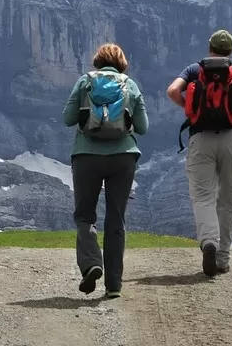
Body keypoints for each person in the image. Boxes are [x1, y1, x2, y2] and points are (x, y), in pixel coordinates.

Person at [166, 29, 232, 278]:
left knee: (202, 196)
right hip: (231, 138)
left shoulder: (193, 70)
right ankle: (222, 257)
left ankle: (209, 241)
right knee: (229, 198)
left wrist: (191, 110)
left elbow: (172, 91)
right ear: (230, 50)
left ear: (210, 48)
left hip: (200, 137)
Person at [62, 43, 149, 299]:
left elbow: (68, 118)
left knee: (85, 216)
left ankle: (91, 264)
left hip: (87, 155)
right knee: (116, 219)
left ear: (97, 61)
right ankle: (114, 286)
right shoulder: (130, 85)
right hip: (123, 157)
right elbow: (143, 127)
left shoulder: (84, 82)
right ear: (122, 62)